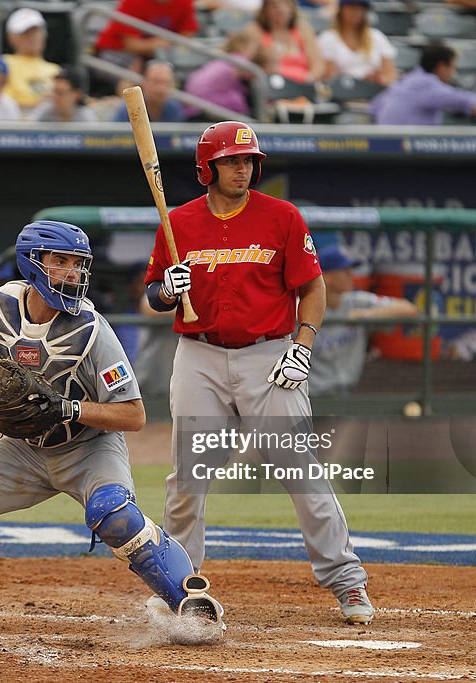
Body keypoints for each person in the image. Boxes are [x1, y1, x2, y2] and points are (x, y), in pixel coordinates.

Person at [0, 220, 224, 632]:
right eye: (60, 261)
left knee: (114, 516)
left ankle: (190, 603)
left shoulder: (91, 329)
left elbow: (134, 415)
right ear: (32, 263)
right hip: (23, 449)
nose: (72, 273)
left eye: (78, 263)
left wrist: (67, 408)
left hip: (89, 448)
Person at [143, 121, 375, 625]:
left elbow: (313, 288)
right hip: (198, 353)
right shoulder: (177, 223)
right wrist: (168, 289)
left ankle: (347, 582)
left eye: (248, 160)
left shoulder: (281, 217)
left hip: (268, 353)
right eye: (231, 160)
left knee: (300, 470)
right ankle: (179, 587)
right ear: (208, 168)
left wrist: (303, 345)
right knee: (189, 476)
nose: (243, 167)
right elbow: (153, 296)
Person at [308, 245, 418, 397]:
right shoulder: (304, 305)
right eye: (344, 270)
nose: (351, 275)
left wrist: (365, 315)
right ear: (326, 276)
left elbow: (409, 309)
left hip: (346, 395)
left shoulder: (356, 301)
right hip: (309, 398)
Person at [372, 42, 476, 126]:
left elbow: (375, 107)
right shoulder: (426, 84)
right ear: (442, 68)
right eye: (453, 67)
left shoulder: (406, 80)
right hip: (405, 157)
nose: (454, 72)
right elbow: (468, 102)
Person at [93, 0, 199, 76]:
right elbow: (131, 45)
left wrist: (162, 45)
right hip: (117, 51)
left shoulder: (185, 2)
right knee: (140, 70)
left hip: (156, 54)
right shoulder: (133, 2)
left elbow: (187, 35)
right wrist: (156, 44)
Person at [243, 0, 325, 84]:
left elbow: (318, 65)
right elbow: (248, 65)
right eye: (274, 5)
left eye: (286, 4)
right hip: (269, 87)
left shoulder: (302, 29)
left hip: (303, 87)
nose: (281, 9)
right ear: (265, 8)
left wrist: (307, 79)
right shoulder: (255, 30)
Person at [318, 0, 397, 86]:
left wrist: (379, 79)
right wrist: (361, 80)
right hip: (341, 92)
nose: (356, 11)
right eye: (351, 7)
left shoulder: (377, 36)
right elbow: (328, 76)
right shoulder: (328, 38)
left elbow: (390, 74)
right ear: (341, 9)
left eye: (360, 8)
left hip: (373, 91)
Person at [2, 8, 59, 111]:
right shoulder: (4, 64)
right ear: (11, 38)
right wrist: (39, 105)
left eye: (36, 31)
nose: (33, 37)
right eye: (26, 33)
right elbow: (1, 106)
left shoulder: (56, 70)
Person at [112, 59, 185, 122]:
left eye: (166, 83)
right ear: (144, 82)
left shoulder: (174, 108)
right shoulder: (130, 109)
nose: (161, 89)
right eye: (156, 82)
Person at [31, 66, 98, 122]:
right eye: (54, 92)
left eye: (61, 93)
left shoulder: (86, 117)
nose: (55, 97)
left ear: (77, 94)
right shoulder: (45, 109)